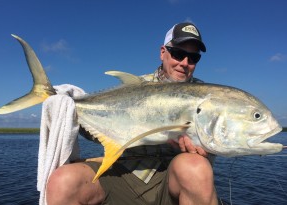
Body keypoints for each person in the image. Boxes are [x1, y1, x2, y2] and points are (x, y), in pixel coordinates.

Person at [46, 22, 218, 205]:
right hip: (125, 175)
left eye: (193, 58)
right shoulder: (135, 86)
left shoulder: (207, 96)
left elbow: (218, 142)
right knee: (62, 183)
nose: (185, 63)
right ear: (163, 52)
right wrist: (68, 110)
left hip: (172, 182)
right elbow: (97, 135)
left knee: (195, 167)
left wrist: (203, 152)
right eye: (178, 54)